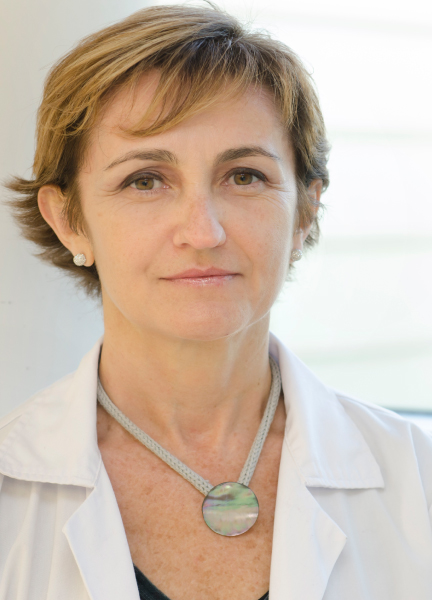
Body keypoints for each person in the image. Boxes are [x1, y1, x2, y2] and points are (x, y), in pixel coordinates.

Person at [1, 4, 432, 599]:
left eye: (245, 176)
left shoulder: (418, 480)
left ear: (305, 211)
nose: (203, 232)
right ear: (69, 220)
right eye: (145, 180)